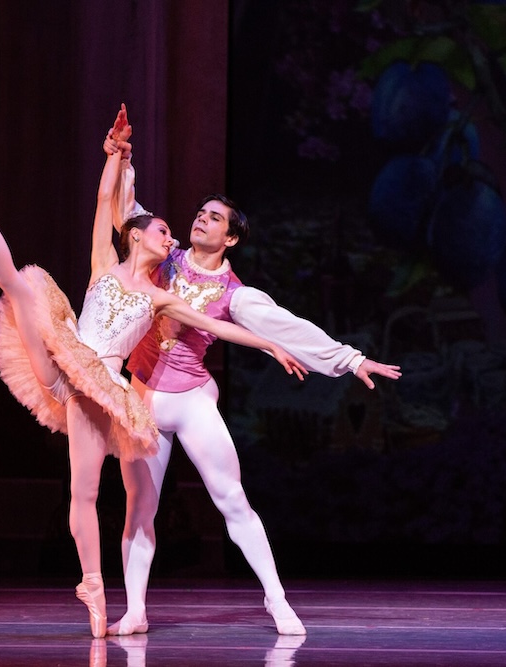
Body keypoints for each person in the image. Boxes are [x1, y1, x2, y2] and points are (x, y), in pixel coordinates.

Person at [0, 105, 307, 638]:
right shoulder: (101, 263)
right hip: (66, 358)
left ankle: (94, 588)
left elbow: (221, 329)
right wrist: (113, 156)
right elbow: (103, 200)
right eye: (163, 230)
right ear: (137, 237)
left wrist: (270, 345)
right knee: (20, 288)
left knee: (85, 495)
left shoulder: (162, 296)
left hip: (102, 386)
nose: (172, 237)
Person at [103, 129, 402, 636]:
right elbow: (127, 215)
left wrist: (351, 361)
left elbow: (290, 327)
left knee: (231, 499)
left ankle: (277, 599)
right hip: (140, 397)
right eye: (201, 213)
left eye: (214, 218)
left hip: (191, 400)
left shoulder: (235, 294)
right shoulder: (161, 254)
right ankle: (135, 609)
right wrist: (121, 161)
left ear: (232, 238)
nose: (201, 219)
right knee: (140, 508)